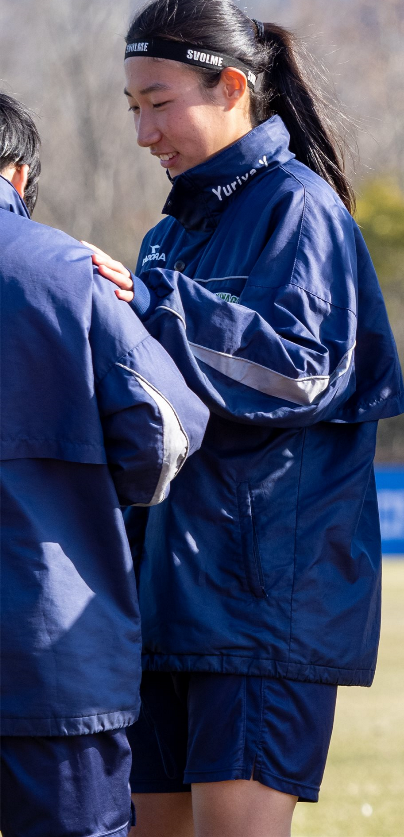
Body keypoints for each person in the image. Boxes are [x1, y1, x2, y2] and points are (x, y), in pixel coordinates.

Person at [87, 0, 404, 836]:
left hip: (262, 608)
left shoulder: (300, 208)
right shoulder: (168, 236)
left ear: (232, 88)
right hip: (163, 606)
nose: (143, 132)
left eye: (159, 104)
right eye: (132, 107)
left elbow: (301, 372)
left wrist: (153, 302)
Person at [1, 92, 209, 837]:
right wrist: (88, 494)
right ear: (19, 175)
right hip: (52, 647)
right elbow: (166, 431)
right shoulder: (66, 269)